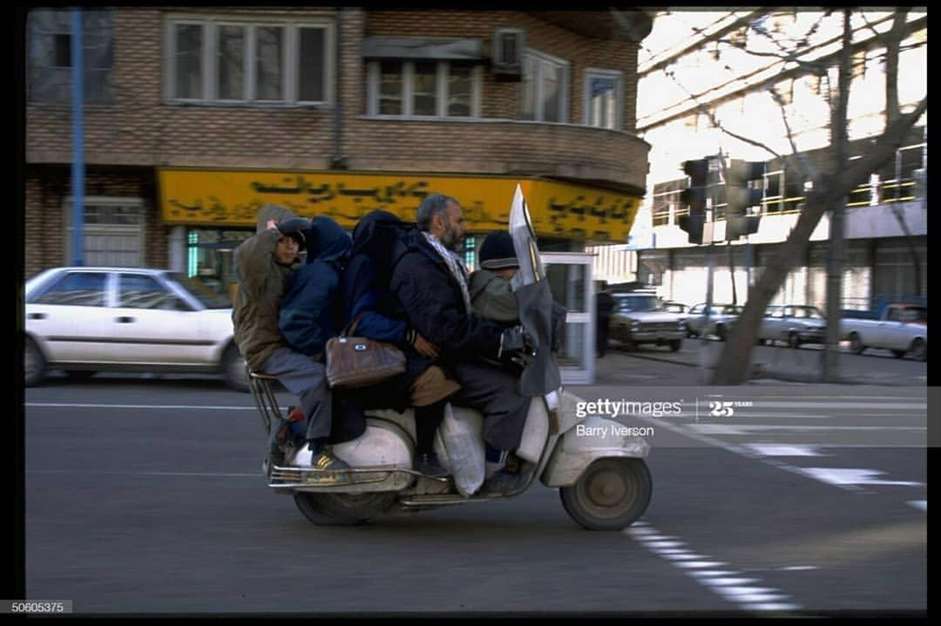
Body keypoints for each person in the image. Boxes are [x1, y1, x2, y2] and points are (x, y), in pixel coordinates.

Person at [390, 194, 536, 494]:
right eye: (459, 220)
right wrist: (498, 341)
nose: (464, 227)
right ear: (439, 222)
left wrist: (500, 338)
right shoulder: (421, 266)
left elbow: (458, 320)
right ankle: (498, 466)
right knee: (512, 390)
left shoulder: (439, 259)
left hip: (447, 351)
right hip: (438, 359)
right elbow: (447, 327)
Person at [340, 210, 461, 477]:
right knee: (436, 379)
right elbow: (362, 319)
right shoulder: (365, 264)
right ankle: (425, 454)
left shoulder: (374, 262)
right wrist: (408, 335)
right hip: (369, 356)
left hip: (381, 346)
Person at [231, 205, 348, 481]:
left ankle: (288, 430)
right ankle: (319, 453)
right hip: (265, 349)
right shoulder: (258, 272)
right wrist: (273, 233)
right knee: (317, 379)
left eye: (295, 241)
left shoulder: (292, 271)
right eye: (283, 241)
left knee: (336, 376)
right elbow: (246, 256)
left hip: (283, 345)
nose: (290, 247)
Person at [595, 285, 615, 358]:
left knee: (599, 334)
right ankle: (603, 350)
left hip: (598, 317)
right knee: (605, 334)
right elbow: (613, 304)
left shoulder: (597, 297)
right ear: (607, 290)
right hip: (607, 317)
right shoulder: (609, 298)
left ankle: (600, 351)